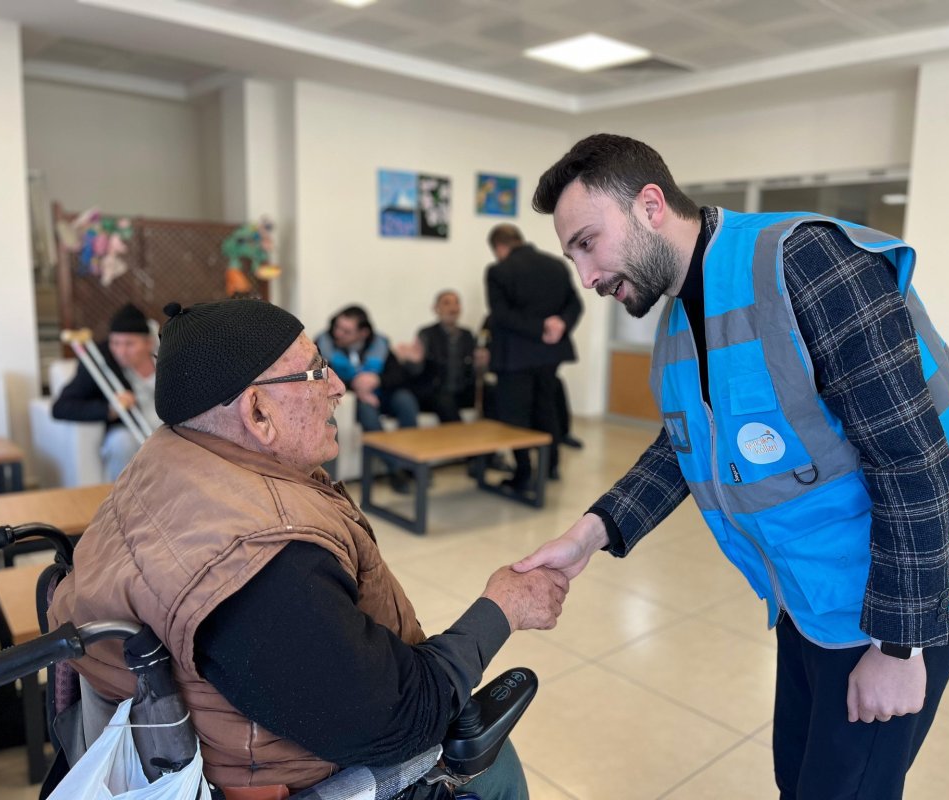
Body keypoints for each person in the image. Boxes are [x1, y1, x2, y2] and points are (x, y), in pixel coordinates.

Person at [516, 133, 949, 800]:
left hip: (899, 593)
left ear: (649, 205)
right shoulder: (677, 323)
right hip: (809, 594)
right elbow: (685, 445)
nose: (586, 276)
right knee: (799, 778)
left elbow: (911, 460)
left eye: (587, 242)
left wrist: (901, 648)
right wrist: (592, 530)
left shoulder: (805, 261)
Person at [48, 298, 568, 798]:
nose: (338, 386)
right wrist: (504, 607)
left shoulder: (168, 454)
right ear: (257, 411)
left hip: (210, 729)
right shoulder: (259, 560)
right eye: (317, 372)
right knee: (495, 763)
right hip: (289, 770)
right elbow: (400, 719)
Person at [485, 223, 583, 491]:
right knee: (546, 410)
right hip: (550, 354)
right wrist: (560, 324)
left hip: (514, 356)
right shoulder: (555, 265)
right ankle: (550, 468)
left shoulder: (498, 270)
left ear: (499, 247)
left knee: (516, 417)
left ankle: (524, 474)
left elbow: (501, 316)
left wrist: (539, 328)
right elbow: (575, 304)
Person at [51, 303, 163, 481]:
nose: (121, 351)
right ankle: (121, 499)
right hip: (130, 430)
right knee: (120, 442)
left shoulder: (166, 358)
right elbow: (61, 407)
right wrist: (111, 409)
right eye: (115, 343)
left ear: (148, 343)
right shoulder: (101, 361)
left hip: (167, 428)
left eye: (129, 344)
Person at [315, 305, 420, 491]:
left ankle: (411, 463)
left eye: (346, 331)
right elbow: (321, 377)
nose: (338, 333)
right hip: (356, 400)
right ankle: (396, 471)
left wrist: (377, 379)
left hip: (382, 395)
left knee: (406, 400)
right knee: (367, 410)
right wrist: (355, 384)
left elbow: (398, 376)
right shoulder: (322, 345)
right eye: (337, 327)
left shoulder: (380, 344)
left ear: (363, 333)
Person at [399, 289, 478, 423]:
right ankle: (461, 440)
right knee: (444, 400)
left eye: (456, 303)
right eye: (447, 303)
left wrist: (481, 364)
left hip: (462, 390)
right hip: (435, 391)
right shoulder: (427, 334)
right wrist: (414, 361)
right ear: (436, 308)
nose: (453, 308)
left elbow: (473, 368)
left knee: (494, 394)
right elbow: (416, 371)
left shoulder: (467, 335)